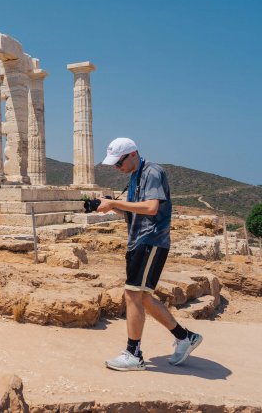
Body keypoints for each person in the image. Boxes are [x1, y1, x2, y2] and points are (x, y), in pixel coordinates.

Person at [96, 137, 203, 371]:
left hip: (151, 240)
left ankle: (133, 353)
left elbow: (151, 207)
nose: (117, 168)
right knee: (143, 296)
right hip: (139, 241)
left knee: (132, 294)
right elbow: (134, 213)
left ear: (132, 154)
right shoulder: (135, 175)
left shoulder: (152, 171)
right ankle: (185, 337)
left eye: (119, 162)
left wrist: (115, 204)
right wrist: (110, 208)